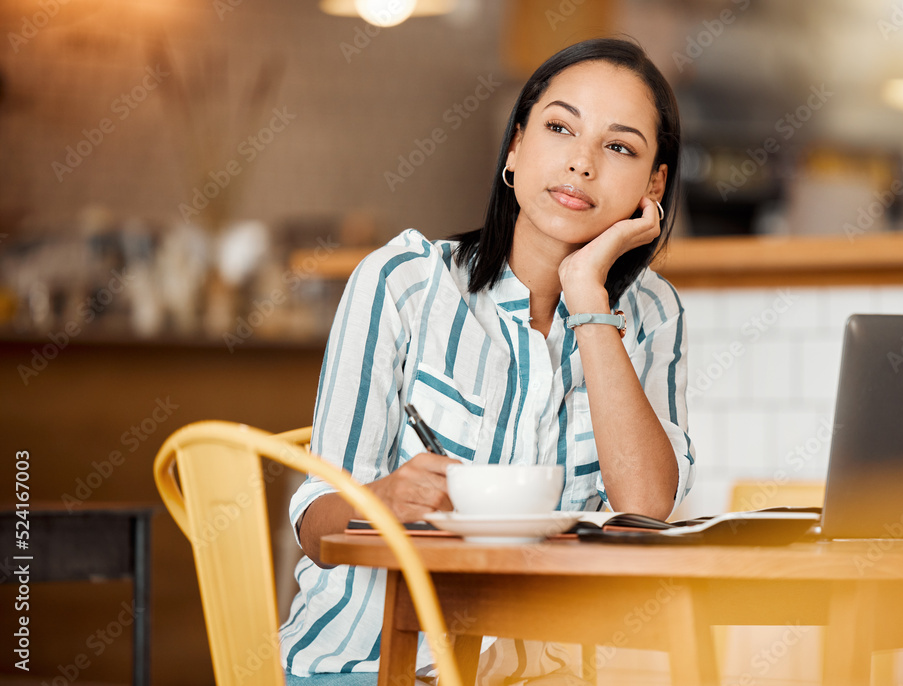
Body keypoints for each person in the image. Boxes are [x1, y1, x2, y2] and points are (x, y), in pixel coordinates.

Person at [281, 37, 695, 685]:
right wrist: (384, 499)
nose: (582, 163)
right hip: (371, 663)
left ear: (655, 184)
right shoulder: (403, 283)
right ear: (515, 146)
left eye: (619, 147)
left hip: (544, 673)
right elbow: (314, 521)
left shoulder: (652, 315)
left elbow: (645, 508)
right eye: (560, 128)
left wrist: (588, 296)